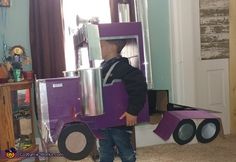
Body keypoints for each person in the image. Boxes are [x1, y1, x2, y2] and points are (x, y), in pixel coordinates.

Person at [99, 39, 147, 162]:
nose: (98, 48)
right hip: (104, 119)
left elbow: (139, 89)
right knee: (104, 150)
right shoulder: (102, 66)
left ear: (113, 47)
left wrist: (133, 111)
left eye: (101, 45)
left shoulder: (124, 68)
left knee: (125, 151)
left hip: (120, 120)